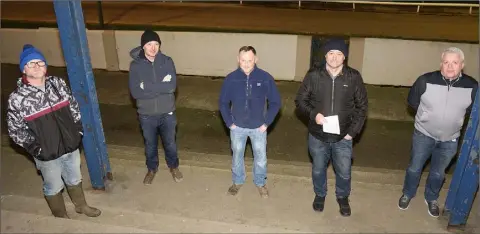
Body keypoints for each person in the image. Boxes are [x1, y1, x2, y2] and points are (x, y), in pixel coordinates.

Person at [7, 44, 101, 218]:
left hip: (70, 146)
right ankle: (61, 217)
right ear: (23, 69)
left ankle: (81, 206)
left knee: (75, 178)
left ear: (46, 66)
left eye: (40, 62)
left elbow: (73, 108)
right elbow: (15, 130)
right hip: (47, 153)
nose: (37, 66)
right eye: (31, 63)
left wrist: (77, 133)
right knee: (53, 185)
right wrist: (37, 149)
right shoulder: (17, 98)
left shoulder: (57, 84)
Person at [398, 47, 478, 218]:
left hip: (450, 139)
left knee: (438, 173)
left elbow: (472, 111)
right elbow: (412, 102)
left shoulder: (472, 86)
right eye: (446, 62)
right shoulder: (425, 80)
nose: (450, 67)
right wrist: (427, 116)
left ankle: (432, 198)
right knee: (414, 168)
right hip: (423, 134)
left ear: (462, 65)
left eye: (454, 63)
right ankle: (408, 193)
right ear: (441, 64)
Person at [294, 38, 368, 217]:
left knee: (344, 171)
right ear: (325, 55)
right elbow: (300, 101)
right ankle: (320, 195)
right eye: (331, 53)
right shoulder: (314, 75)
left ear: (345, 57)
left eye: (339, 54)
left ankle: (342, 197)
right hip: (318, 135)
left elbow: (362, 107)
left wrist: (352, 132)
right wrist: (314, 115)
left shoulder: (354, 77)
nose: (334, 58)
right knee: (318, 169)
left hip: (343, 136)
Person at [219, 46, 281, 198]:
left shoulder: (265, 78)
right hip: (237, 128)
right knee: (237, 156)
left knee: (260, 158)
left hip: (258, 128)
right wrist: (229, 123)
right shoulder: (231, 79)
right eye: (243, 60)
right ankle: (238, 181)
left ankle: (260, 182)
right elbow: (222, 102)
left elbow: (275, 102)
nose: (246, 64)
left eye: (250, 60)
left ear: (256, 60)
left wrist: (266, 123)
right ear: (238, 60)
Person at [128, 29, 183, 185]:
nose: (153, 48)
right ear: (143, 47)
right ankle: (152, 169)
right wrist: (160, 86)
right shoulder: (135, 66)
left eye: (156, 44)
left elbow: (171, 86)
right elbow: (136, 92)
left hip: (167, 112)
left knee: (170, 143)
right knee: (150, 144)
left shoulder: (167, 61)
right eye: (149, 44)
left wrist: (147, 86)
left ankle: (174, 167)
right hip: (146, 114)